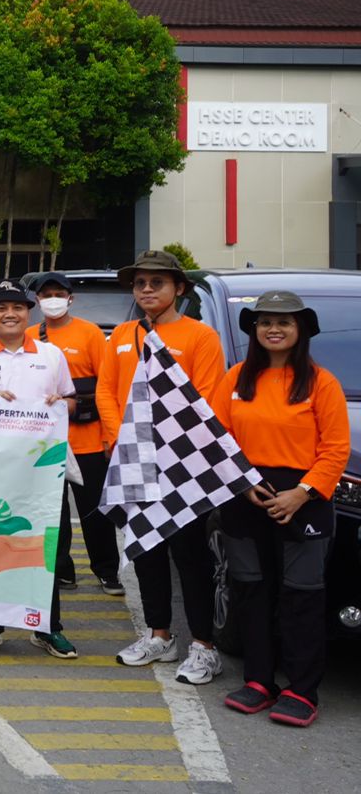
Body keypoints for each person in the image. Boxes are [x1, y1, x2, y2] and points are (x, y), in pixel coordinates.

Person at [210, 292, 348, 727]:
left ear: (301, 330)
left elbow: (335, 449)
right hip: (246, 498)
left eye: (285, 323)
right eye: (265, 321)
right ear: (253, 330)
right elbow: (217, 440)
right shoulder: (234, 378)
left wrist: (302, 493)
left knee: (301, 597)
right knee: (250, 592)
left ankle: (301, 691)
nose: (274, 329)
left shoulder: (321, 382)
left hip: (303, 502)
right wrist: (243, 483)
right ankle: (258, 681)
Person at [97, 249, 227, 684]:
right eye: (140, 283)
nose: (148, 290)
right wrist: (120, 438)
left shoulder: (201, 337)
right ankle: (159, 636)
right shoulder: (120, 335)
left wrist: (168, 447)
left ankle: (204, 646)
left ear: (179, 289)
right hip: (134, 462)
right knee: (146, 552)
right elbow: (106, 393)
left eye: (158, 283)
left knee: (190, 558)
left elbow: (206, 399)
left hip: (182, 465)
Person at [0, 280, 79, 661]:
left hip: (44, 471)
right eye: (1, 308)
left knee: (48, 548)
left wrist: (61, 404)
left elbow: (71, 404)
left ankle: (47, 627)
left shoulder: (51, 355)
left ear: (29, 313)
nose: (10, 314)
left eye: (18, 308)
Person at [33, 272, 121, 595]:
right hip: (45, 443)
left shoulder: (90, 334)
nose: (52, 298)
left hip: (88, 440)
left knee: (94, 511)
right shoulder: (30, 336)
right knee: (53, 512)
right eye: (46, 294)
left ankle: (106, 570)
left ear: (71, 298)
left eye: (58, 292)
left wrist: (108, 437)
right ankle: (62, 570)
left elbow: (106, 385)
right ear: (38, 300)